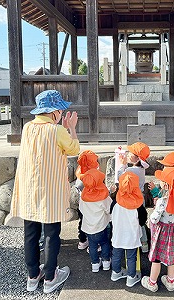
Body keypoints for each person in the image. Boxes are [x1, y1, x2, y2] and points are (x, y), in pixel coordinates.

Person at [10, 90, 80, 293]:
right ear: (55, 112)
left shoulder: (27, 128)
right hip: (49, 190)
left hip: (29, 188)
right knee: (51, 234)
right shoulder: (56, 130)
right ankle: (50, 277)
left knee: (30, 233)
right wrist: (71, 129)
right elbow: (74, 150)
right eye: (60, 109)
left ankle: (33, 276)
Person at [141, 167, 174, 292]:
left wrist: (151, 217)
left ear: (165, 185)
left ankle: (152, 282)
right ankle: (170, 281)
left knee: (156, 258)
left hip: (162, 233)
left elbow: (155, 218)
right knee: (172, 258)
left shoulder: (162, 201)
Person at [111, 172, 146, 287]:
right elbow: (142, 220)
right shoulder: (138, 205)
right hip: (132, 236)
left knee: (116, 255)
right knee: (131, 257)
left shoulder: (115, 202)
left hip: (117, 234)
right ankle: (131, 277)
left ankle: (115, 273)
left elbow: (111, 215)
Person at [118, 142, 150, 253]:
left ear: (136, 158)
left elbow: (120, 178)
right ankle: (144, 243)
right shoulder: (141, 169)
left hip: (132, 199)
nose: (128, 154)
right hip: (141, 197)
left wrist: (122, 164)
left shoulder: (131, 170)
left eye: (130, 153)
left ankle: (133, 241)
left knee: (134, 220)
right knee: (141, 221)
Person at [78, 168, 112, 272]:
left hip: (88, 227)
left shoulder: (83, 196)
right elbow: (108, 209)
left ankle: (95, 264)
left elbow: (81, 209)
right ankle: (106, 262)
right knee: (105, 243)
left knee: (92, 246)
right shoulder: (103, 196)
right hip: (101, 226)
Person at [75, 150, 100, 250]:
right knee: (94, 224)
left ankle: (82, 241)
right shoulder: (91, 176)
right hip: (92, 203)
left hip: (82, 204)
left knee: (82, 222)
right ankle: (95, 244)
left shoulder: (80, 173)